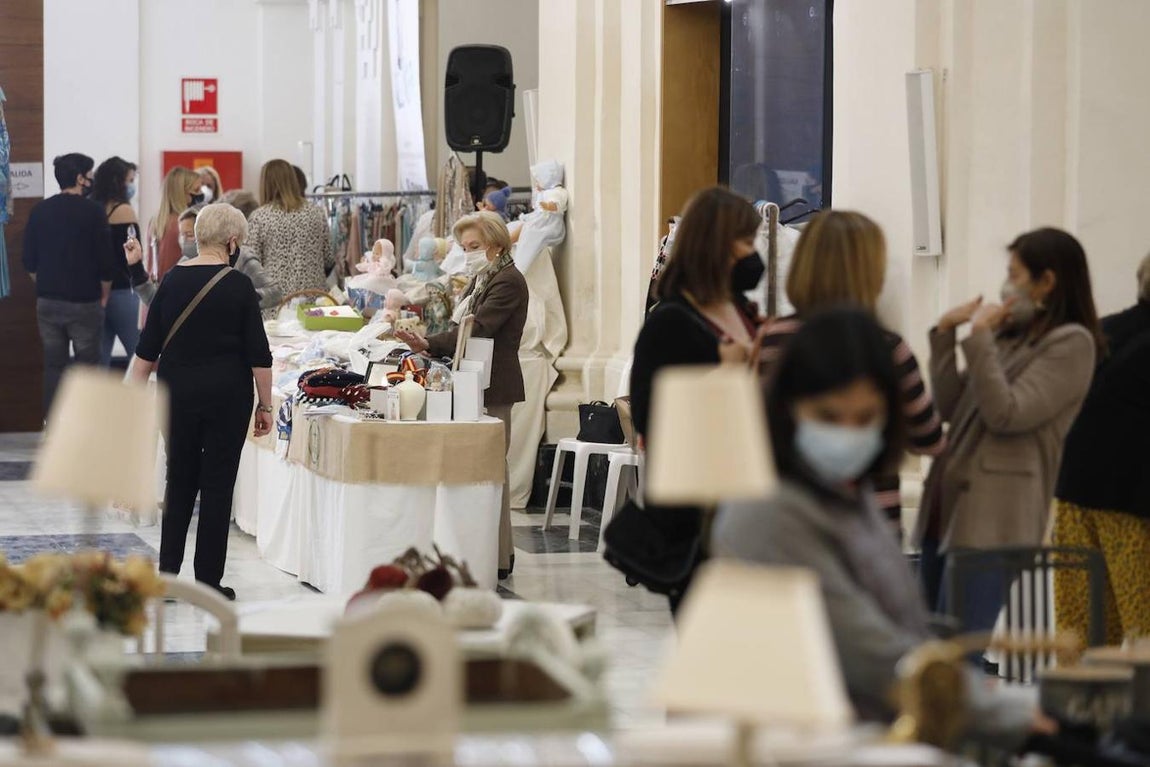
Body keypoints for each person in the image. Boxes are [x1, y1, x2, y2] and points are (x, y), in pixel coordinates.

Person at [712, 308, 1048, 751]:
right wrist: (1004, 714)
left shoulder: (849, 496)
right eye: (828, 417)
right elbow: (867, 651)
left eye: (865, 417)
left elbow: (903, 623)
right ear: (788, 410)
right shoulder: (769, 512)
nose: (848, 434)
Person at [914, 227, 1103, 634]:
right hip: (947, 504)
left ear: (1047, 281)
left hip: (995, 517)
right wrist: (946, 335)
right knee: (926, 645)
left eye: (1015, 274)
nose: (1005, 285)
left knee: (961, 649)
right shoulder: (1007, 334)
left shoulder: (1072, 343)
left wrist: (980, 340)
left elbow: (1008, 413)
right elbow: (950, 405)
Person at [757, 211, 945, 536]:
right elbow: (926, 437)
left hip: (790, 515)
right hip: (872, 521)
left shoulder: (773, 338)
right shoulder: (887, 348)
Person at [628, 186, 764, 613]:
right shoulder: (672, 320)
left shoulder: (743, 311)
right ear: (717, 245)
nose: (752, 252)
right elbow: (651, 414)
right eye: (745, 242)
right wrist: (719, 370)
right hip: (698, 499)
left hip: (750, 487)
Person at [127, 204, 273, 601]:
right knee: (217, 486)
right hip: (228, 396)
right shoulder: (239, 286)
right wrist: (266, 406)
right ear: (232, 242)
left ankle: (169, 579)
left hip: (177, 394)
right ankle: (208, 581)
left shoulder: (172, 281)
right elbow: (259, 355)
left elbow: (146, 350)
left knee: (180, 481)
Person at [395, 211, 528, 581]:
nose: (467, 253)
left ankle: (499, 555)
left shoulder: (509, 281)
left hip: (494, 383)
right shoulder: (482, 278)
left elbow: (478, 329)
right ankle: (483, 551)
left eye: (474, 247)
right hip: (472, 380)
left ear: (496, 246)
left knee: (491, 469)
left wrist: (427, 342)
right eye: (464, 246)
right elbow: (461, 328)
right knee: (481, 469)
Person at [1052, 253, 1150, 645]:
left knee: (1082, 629)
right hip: (1132, 507)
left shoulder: (1100, 331)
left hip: (1073, 495)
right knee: (1143, 632)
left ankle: (1075, 704)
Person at [22, 153, 115, 413]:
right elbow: (105, 262)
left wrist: (46, 285)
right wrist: (104, 295)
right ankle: (84, 425)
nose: (92, 180)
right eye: (90, 174)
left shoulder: (40, 210)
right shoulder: (94, 212)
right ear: (79, 178)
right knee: (87, 367)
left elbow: (29, 260)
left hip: (48, 301)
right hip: (85, 301)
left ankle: (52, 427)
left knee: (54, 366)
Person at [128, 206, 282, 312]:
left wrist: (240, 298)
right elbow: (157, 301)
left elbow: (275, 293)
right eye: (181, 235)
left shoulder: (242, 257)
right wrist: (136, 268)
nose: (185, 241)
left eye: (190, 235)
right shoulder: (185, 263)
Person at [247, 159, 333, 295]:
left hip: (275, 301)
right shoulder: (316, 212)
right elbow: (328, 258)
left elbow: (251, 265)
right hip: (314, 297)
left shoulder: (259, 217)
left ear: (265, 183)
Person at [90, 156, 141, 365]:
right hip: (122, 290)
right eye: (130, 180)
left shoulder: (91, 208)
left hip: (95, 293)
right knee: (139, 356)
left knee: (99, 359)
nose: (131, 185)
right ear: (117, 181)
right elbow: (133, 255)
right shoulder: (124, 210)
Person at [149, 166, 201, 281]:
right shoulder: (183, 225)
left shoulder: (156, 221)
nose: (201, 194)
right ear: (182, 193)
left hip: (159, 289)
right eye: (197, 190)